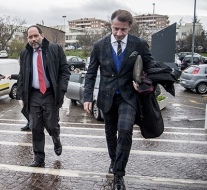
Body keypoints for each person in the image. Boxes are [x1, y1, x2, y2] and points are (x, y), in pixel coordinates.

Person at [83, 10, 154, 190]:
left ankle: (119, 175)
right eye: (115, 29)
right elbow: (91, 73)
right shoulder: (99, 45)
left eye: (123, 29)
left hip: (129, 97)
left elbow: (151, 68)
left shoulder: (139, 44)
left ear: (130, 27)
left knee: (124, 131)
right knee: (110, 134)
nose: (119, 33)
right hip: (106, 97)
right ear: (111, 25)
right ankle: (114, 161)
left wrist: (144, 82)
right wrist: (87, 97)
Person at [16, 25, 70, 167]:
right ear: (27, 39)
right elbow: (22, 75)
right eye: (30, 37)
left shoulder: (55, 49)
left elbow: (65, 71)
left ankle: (56, 138)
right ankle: (39, 158)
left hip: (50, 93)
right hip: (33, 94)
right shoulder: (25, 54)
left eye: (35, 36)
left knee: (52, 125)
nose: (33, 39)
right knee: (35, 126)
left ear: (42, 35)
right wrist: (21, 96)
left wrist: (62, 90)